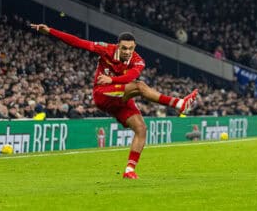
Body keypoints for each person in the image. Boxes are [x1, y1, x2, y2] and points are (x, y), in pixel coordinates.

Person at [30, 23, 198, 179]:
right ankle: (178, 104)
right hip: (103, 94)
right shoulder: (106, 49)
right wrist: (50, 31)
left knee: (141, 128)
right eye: (124, 48)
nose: (127, 52)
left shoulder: (138, 60)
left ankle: (130, 170)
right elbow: (78, 42)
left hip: (120, 96)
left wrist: (113, 80)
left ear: (135, 47)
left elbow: (131, 76)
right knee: (139, 87)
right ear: (118, 46)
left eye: (130, 48)